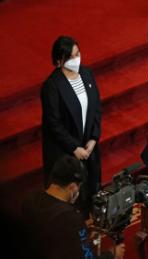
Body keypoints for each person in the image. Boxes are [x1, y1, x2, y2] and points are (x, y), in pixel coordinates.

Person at [41, 35, 102, 216]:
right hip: (65, 151)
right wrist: (74, 148)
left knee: (91, 188)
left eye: (78, 53)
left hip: (88, 147)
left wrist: (93, 138)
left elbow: (96, 107)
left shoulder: (87, 74)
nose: (77, 59)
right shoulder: (51, 86)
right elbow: (53, 123)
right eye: (71, 57)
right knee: (73, 202)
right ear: (59, 61)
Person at [21, 155, 125, 259]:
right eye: (79, 187)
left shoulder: (30, 199)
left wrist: (82, 237)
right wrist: (112, 254)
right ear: (72, 187)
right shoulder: (71, 218)